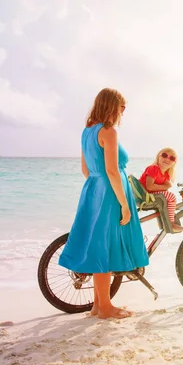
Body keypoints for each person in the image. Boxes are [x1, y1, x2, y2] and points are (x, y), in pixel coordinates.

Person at [58, 87, 149, 320]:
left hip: (93, 190)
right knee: (104, 248)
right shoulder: (109, 131)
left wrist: (96, 188)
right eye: (122, 106)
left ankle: (98, 306)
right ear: (112, 106)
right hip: (109, 192)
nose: (123, 111)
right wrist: (125, 204)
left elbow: (85, 169)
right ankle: (106, 308)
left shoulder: (87, 131)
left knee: (100, 244)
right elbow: (112, 170)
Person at [139, 148, 183, 233]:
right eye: (164, 155)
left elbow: (166, 186)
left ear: (174, 163)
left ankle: (166, 220)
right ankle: (170, 223)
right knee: (171, 197)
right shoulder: (153, 168)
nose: (167, 159)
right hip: (144, 195)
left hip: (150, 195)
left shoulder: (166, 175)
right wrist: (165, 186)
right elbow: (150, 187)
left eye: (172, 158)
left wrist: (166, 186)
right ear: (158, 156)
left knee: (167, 197)